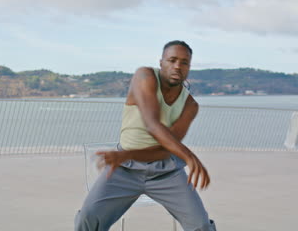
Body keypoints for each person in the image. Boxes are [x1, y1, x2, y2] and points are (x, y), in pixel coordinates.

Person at [74, 40, 216, 231]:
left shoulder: (190, 105)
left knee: (201, 225)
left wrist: (129, 155)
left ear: (189, 67)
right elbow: (152, 124)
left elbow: (165, 150)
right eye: (172, 60)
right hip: (124, 169)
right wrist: (189, 157)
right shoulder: (144, 76)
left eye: (184, 62)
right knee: (88, 219)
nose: (177, 66)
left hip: (167, 173)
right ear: (161, 62)